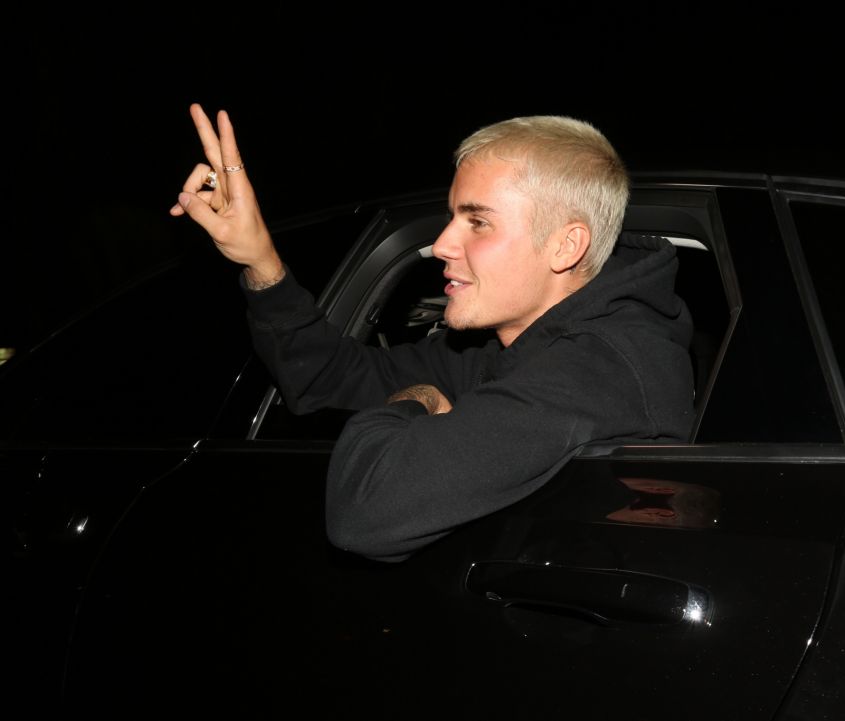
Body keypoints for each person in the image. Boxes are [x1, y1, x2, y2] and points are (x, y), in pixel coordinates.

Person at [171, 104, 695, 562]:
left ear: (565, 246)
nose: (441, 244)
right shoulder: (504, 346)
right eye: (451, 218)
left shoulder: (597, 372)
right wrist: (261, 260)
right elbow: (335, 377)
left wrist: (416, 400)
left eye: (478, 221)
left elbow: (366, 512)